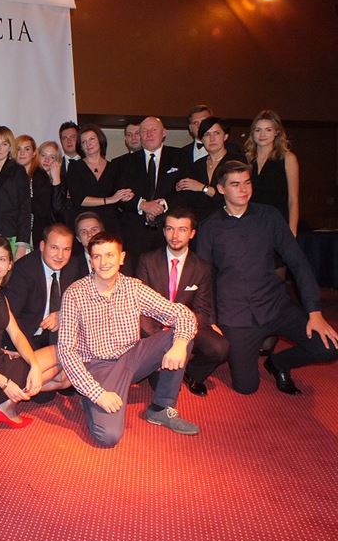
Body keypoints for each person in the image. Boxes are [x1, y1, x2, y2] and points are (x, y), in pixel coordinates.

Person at [197, 161, 337, 395]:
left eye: (247, 182)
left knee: (328, 346)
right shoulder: (209, 227)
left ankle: (278, 363)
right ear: (221, 189)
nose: (244, 189)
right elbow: (203, 276)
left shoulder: (269, 216)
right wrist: (210, 319)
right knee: (246, 387)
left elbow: (298, 263)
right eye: (235, 184)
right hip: (236, 314)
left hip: (275, 305)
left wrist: (315, 312)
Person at [57, 231, 199, 447]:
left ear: (121, 258)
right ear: (90, 260)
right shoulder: (75, 294)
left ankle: (161, 408)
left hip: (133, 355)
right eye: (97, 256)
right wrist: (97, 394)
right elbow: (66, 350)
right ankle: (88, 398)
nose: (104, 262)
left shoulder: (132, 287)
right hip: (98, 366)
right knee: (108, 436)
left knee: (181, 335)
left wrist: (180, 345)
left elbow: (182, 314)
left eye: (110, 255)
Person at [0, 236, 71, 428]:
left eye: (2, 259)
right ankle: (6, 401)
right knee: (59, 352)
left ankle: (7, 403)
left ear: (10, 265)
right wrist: (5, 383)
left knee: (64, 379)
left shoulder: (0, 296)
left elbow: (16, 335)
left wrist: (34, 365)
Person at [136, 207, 229, 396]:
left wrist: (181, 335)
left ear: (192, 233)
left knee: (220, 348)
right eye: (170, 229)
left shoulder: (202, 267)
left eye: (182, 229)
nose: (175, 235)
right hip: (154, 328)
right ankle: (163, 366)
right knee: (162, 385)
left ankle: (192, 372)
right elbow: (140, 306)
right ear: (164, 231)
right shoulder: (147, 260)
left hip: (187, 324)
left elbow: (202, 309)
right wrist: (161, 340)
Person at [2, 224, 84, 350]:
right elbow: (10, 318)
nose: (60, 256)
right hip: (28, 339)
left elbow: (85, 303)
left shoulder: (73, 267)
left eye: (66, 249)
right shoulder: (24, 270)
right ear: (42, 246)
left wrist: (63, 313)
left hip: (64, 339)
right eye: (54, 248)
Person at [118, 116, 183, 258]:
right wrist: (143, 205)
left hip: (171, 230)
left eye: (153, 130)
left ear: (163, 133)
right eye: (144, 131)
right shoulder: (123, 163)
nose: (149, 134)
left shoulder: (181, 157)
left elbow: (185, 191)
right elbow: (119, 194)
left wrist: (161, 205)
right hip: (135, 233)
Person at [175, 117, 246, 224]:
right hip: (201, 223)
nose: (212, 139)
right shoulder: (197, 165)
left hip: (231, 221)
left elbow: (237, 196)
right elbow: (188, 199)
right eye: (207, 134)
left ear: (225, 136)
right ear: (202, 139)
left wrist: (203, 188)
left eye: (216, 133)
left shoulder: (236, 161)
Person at [65, 124, 133, 235]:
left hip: (110, 222)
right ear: (80, 147)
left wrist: (127, 195)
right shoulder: (74, 167)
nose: (88, 144)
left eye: (91, 139)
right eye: (83, 142)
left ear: (100, 141)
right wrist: (109, 200)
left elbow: (119, 194)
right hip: (85, 223)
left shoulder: (114, 166)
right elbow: (78, 199)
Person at [244, 109, 300, 237]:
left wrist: (292, 232)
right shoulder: (246, 159)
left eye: (268, 130)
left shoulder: (288, 158)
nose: (262, 134)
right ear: (252, 133)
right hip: (250, 224)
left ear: (277, 132)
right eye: (258, 130)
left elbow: (293, 199)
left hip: (277, 224)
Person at [0, 126, 31, 259]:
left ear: (10, 147)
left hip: (11, 237)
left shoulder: (17, 171)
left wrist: (22, 244)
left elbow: (24, 208)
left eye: (4, 144)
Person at [15, 134, 56, 248]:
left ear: (34, 153)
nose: (22, 153)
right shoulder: (10, 175)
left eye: (27, 149)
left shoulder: (40, 176)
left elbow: (42, 210)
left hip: (34, 234)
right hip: (12, 231)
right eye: (18, 149)